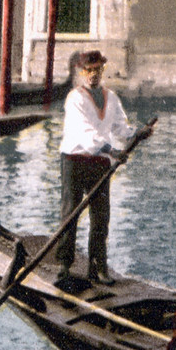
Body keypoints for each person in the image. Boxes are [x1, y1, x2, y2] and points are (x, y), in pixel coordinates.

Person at [53, 48, 131, 284]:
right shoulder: (75, 98)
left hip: (99, 163)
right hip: (74, 159)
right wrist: (111, 150)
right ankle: (64, 266)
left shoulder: (112, 97)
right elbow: (85, 131)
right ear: (82, 72)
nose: (93, 75)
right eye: (89, 70)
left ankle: (97, 267)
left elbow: (120, 128)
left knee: (100, 216)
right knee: (70, 213)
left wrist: (137, 133)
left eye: (97, 70)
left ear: (102, 70)